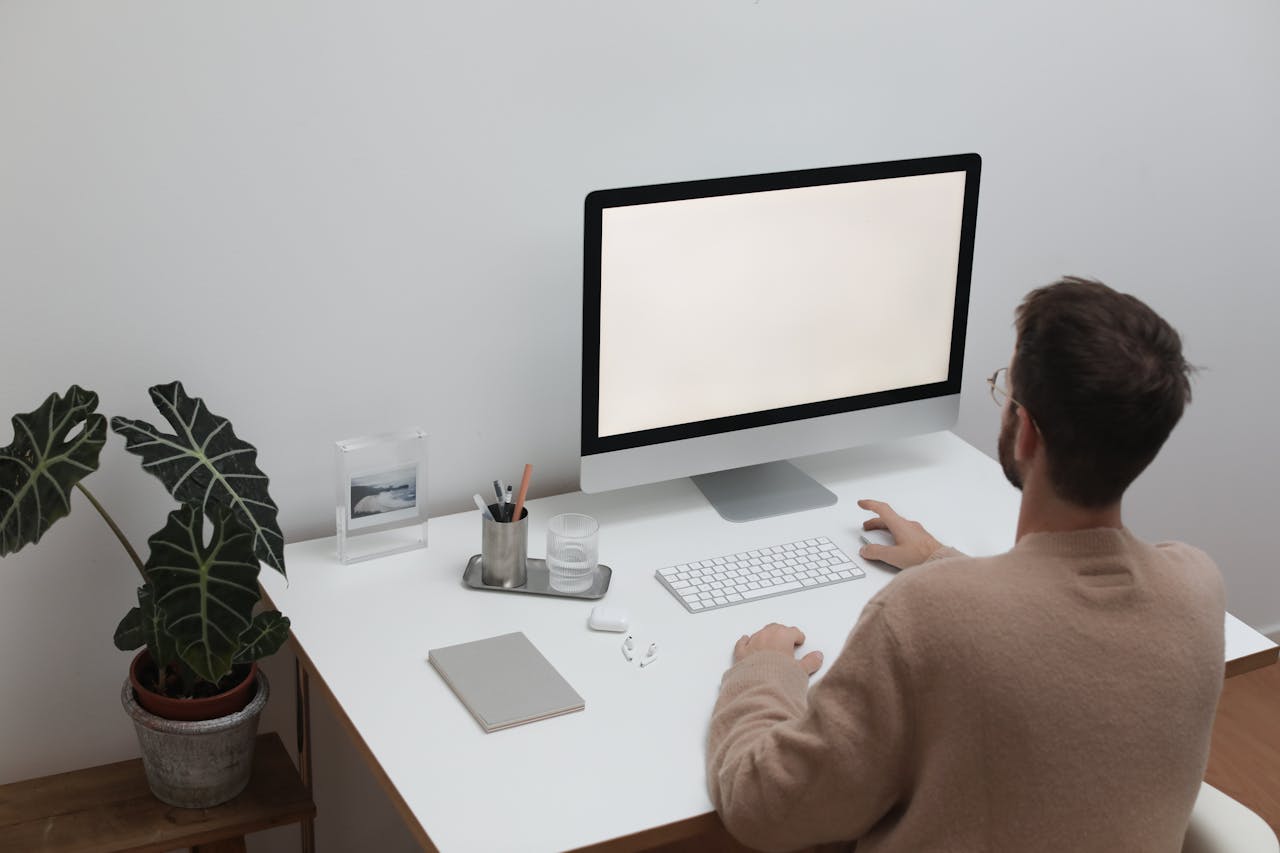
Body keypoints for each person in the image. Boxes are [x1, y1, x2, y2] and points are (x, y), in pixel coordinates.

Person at [706, 277, 1225, 853]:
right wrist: (939, 561)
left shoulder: (925, 616)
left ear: (1025, 432)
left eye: (1006, 391)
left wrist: (762, 676)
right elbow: (1055, 636)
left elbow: (766, 809)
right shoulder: (1197, 586)